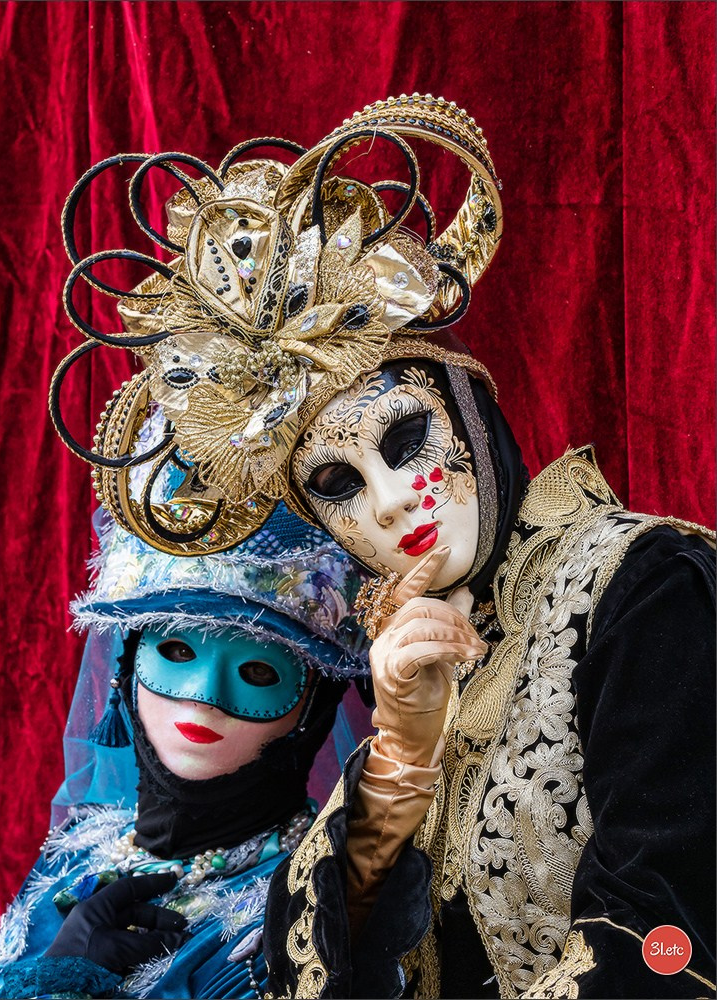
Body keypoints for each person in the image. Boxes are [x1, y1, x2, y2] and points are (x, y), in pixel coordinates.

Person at [48, 95, 715, 998]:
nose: (395, 500)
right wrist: (399, 765)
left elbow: (668, 944)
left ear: (468, 411)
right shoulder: (406, 650)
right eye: (337, 486)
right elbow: (318, 970)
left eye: (405, 440)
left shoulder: (644, 587)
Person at [0, 494, 370, 1000]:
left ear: (313, 708)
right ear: (127, 670)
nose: (204, 698)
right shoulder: (79, 850)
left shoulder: (304, 904)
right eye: (177, 651)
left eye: (259, 672)